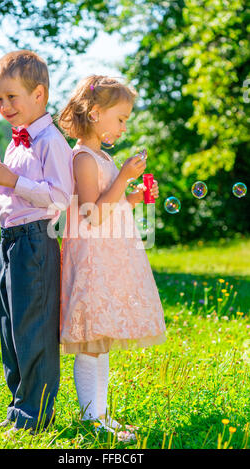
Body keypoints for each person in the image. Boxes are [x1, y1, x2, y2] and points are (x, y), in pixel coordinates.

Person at [0, 50, 74, 434]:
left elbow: (60, 197)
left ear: (39, 94)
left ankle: (36, 417)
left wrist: (16, 181)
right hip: (9, 240)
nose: (3, 105)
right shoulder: (17, 141)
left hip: (35, 241)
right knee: (11, 330)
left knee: (33, 329)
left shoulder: (50, 141)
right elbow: (3, 181)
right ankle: (18, 409)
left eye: (11, 97)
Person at [58, 75, 166, 442]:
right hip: (90, 261)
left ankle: (100, 415)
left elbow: (111, 203)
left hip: (106, 258)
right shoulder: (83, 158)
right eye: (120, 119)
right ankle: (91, 420)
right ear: (95, 112)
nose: (124, 127)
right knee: (90, 340)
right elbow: (93, 213)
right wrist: (123, 176)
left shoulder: (102, 157)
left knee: (100, 340)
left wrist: (133, 196)